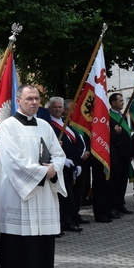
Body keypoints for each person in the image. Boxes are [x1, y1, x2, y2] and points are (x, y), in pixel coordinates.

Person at [0, 85, 66, 268]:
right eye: (29, 98)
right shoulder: (8, 126)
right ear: (18, 100)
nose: (34, 102)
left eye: (36, 99)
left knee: (43, 244)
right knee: (21, 245)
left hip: (43, 195)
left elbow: (59, 153)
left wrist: (54, 167)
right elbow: (13, 161)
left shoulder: (45, 125)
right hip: (20, 194)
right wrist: (43, 172)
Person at [47, 96, 84, 232]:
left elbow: (72, 145)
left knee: (69, 196)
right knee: (60, 197)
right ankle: (60, 223)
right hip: (56, 165)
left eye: (60, 107)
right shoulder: (49, 125)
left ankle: (68, 221)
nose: (58, 109)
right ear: (50, 108)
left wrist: (76, 162)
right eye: (55, 107)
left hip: (69, 165)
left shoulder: (65, 124)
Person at [108, 93, 134, 217]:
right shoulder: (108, 116)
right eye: (120, 100)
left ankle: (120, 204)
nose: (123, 102)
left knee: (123, 181)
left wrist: (130, 152)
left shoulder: (122, 116)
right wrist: (114, 132)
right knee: (115, 181)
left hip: (125, 154)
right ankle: (112, 206)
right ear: (113, 103)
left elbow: (127, 135)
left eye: (123, 100)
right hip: (115, 155)